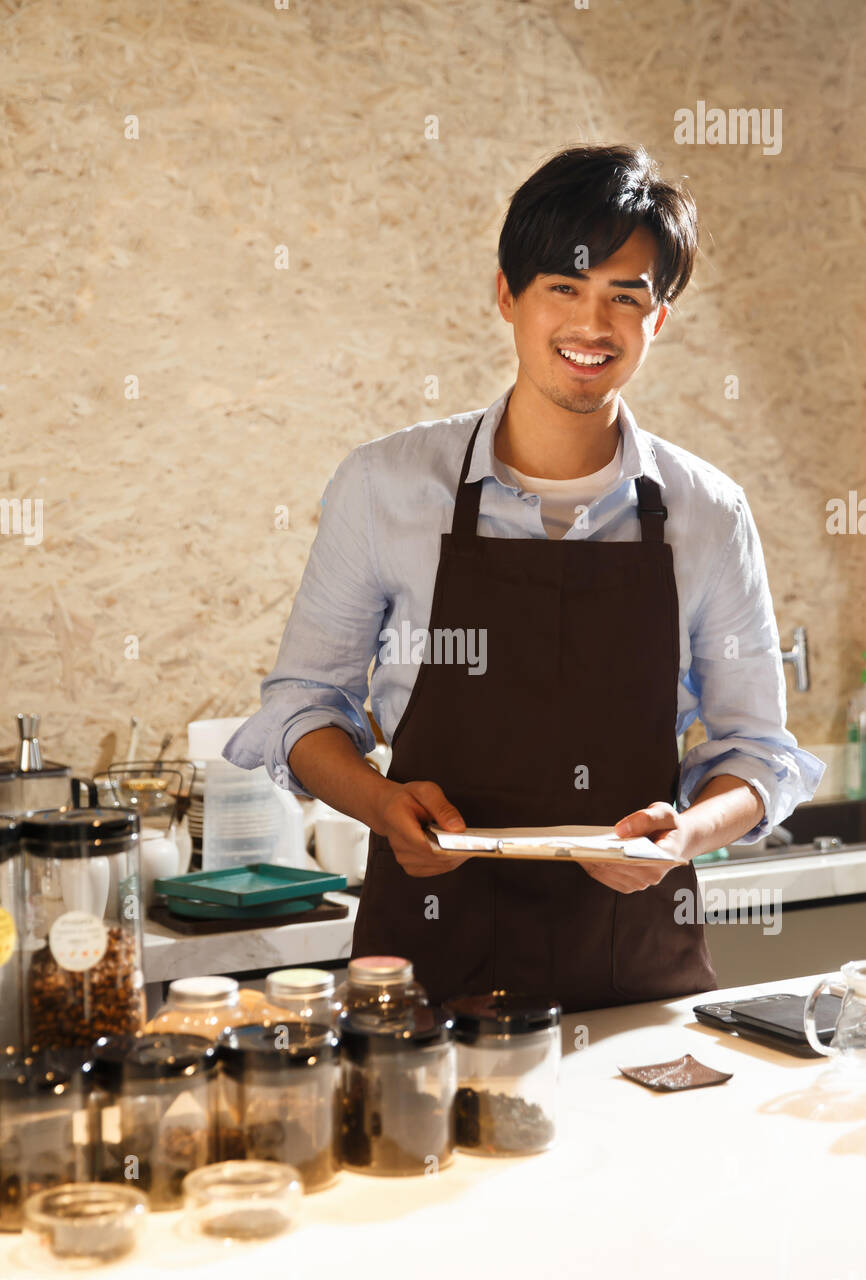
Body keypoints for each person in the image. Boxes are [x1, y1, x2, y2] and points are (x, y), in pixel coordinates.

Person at [223, 144, 824, 1011]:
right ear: (508, 295)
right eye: (564, 288)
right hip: (423, 973)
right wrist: (382, 806)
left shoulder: (709, 512)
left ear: (659, 320)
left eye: (628, 296)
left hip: (634, 974)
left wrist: (685, 833)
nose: (593, 323)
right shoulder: (385, 485)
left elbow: (757, 754)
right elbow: (302, 707)